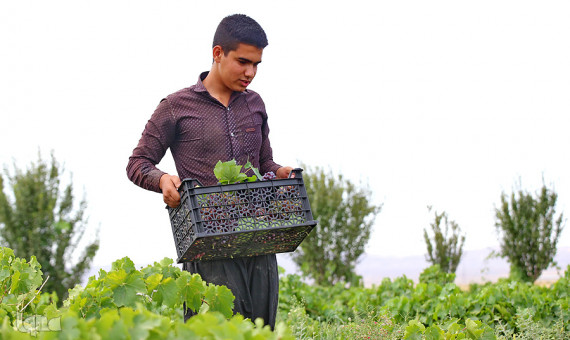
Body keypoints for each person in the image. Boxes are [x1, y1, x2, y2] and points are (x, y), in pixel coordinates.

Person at [126, 14, 292, 329]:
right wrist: (162, 179)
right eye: (243, 61)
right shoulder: (176, 107)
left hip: (259, 237)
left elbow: (264, 163)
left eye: (256, 64)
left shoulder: (255, 104)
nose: (250, 72)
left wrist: (280, 171)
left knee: (261, 331)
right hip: (208, 242)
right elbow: (138, 163)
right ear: (217, 54)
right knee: (216, 332)